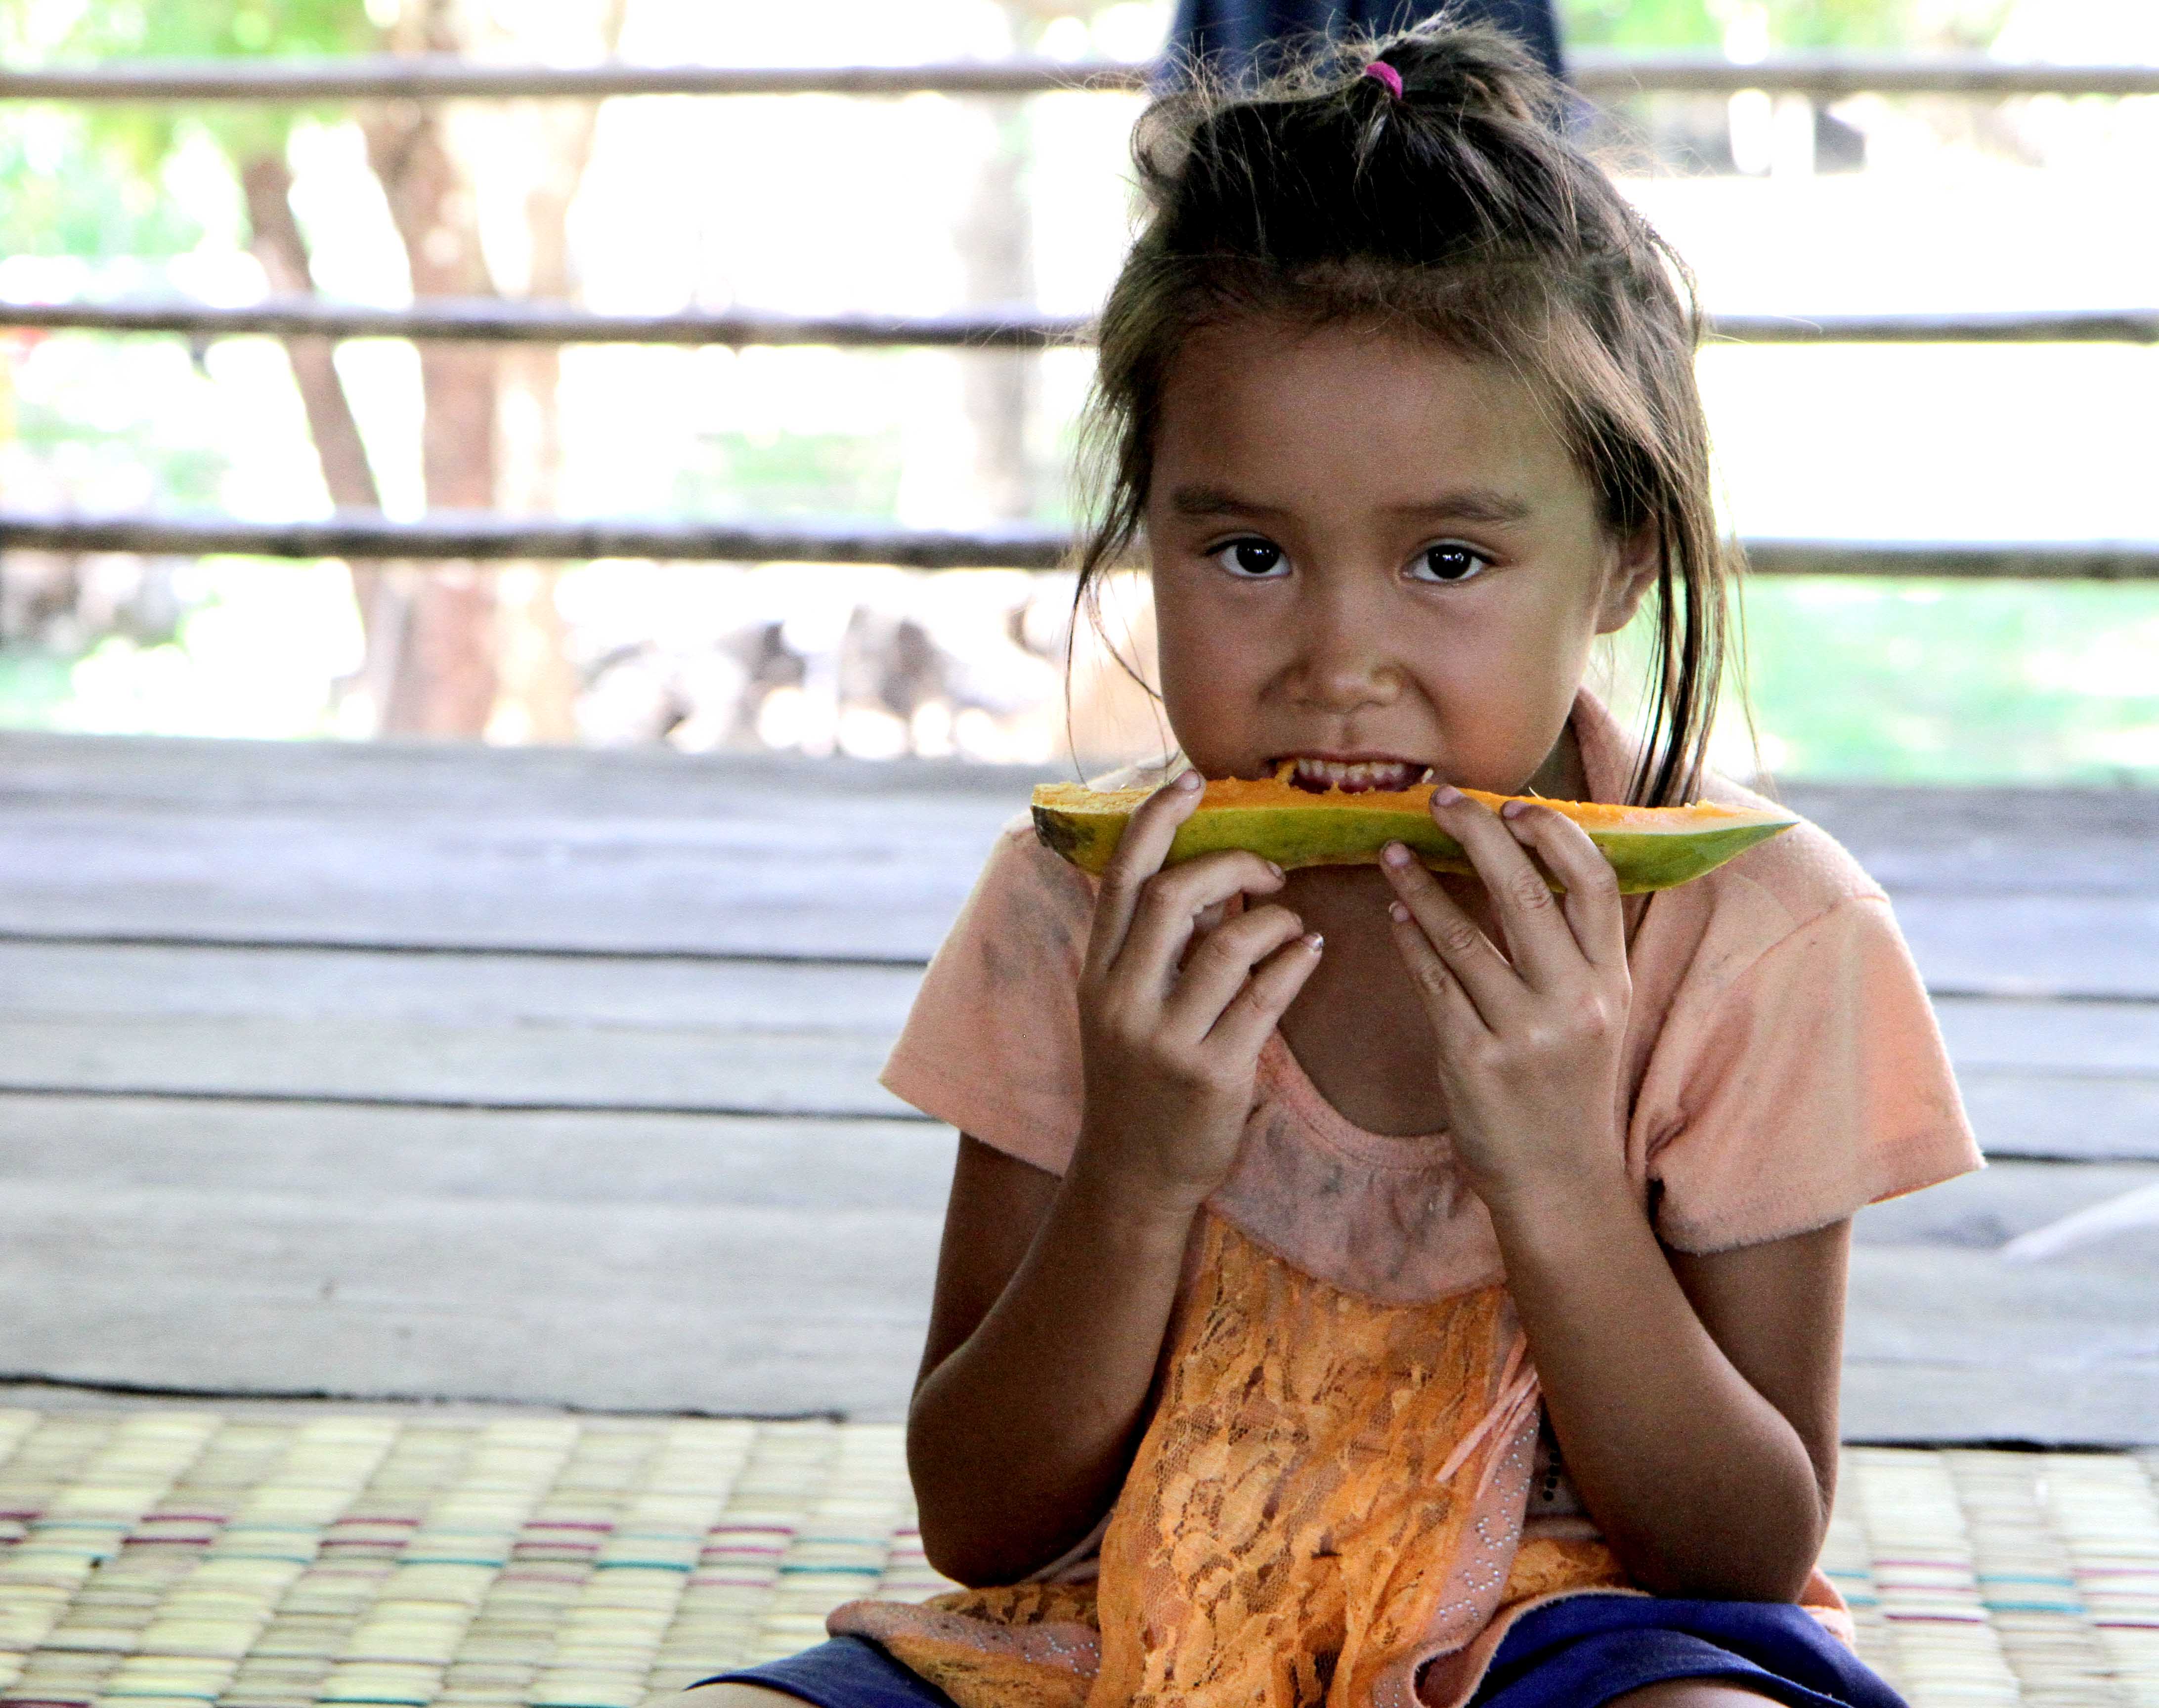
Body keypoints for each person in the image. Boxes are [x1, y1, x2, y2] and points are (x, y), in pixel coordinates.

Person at [671, 20, 1980, 1708]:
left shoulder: (1762, 937)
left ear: (1621, 563)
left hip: (1565, 1633)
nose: (1338, 657)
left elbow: (1737, 1550)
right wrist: (1137, 1166)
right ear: (1147, 529)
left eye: (1447, 557)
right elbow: (981, 1520)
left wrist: (1563, 1179)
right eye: (1248, 552)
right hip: (1120, 1617)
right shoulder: (1079, 903)